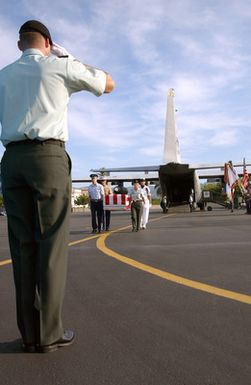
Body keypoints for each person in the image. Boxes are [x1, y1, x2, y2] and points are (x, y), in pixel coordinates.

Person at [0, 20, 115, 353]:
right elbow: (108, 84)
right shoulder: (60, 66)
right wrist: (71, 58)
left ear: (21, 44)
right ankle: (49, 333)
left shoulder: (4, 75)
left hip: (11, 159)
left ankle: (29, 334)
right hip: (47, 158)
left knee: (22, 247)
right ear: (48, 42)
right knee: (50, 244)